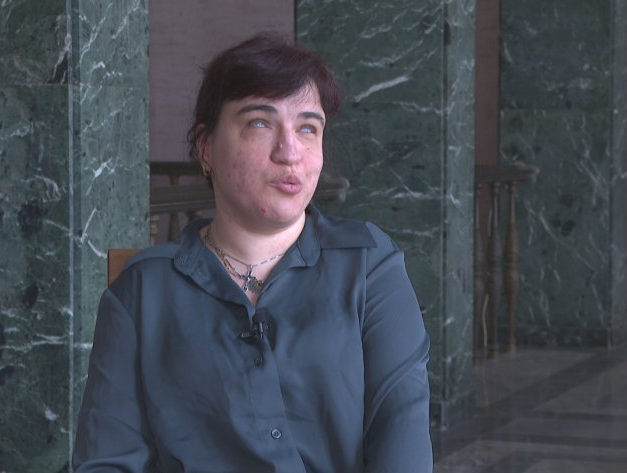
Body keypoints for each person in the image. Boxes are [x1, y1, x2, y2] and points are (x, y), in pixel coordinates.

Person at [73, 33, 433, 472]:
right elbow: (108, 459)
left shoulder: (369, 264)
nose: (290, 152)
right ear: (206, 148)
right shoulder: (143, 291)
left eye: (308, 128)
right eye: (260, 123)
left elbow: (402, 436)